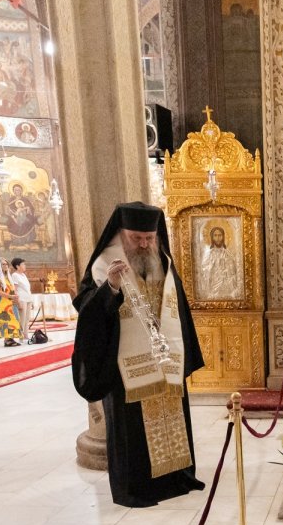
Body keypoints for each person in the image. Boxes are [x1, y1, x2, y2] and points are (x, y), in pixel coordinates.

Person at [72, 202, 205, 508]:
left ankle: (176, 477)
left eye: (149, 238)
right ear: (121, 234)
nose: (144, 244)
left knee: (171, 420)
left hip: (165, 360)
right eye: (136, 238)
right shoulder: (104, 264)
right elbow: (89, 313)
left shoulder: (162, 261)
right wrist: (111, 288)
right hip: (126, 367)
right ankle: (139, 487)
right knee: (133, 431)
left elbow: (179, 308)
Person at [0, 257, 22, 347]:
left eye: (6, 264)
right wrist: (10, 296)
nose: (5, 266)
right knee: (6, 320)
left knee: (13, 320)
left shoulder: (7, 276)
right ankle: (7, 340)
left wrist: (15, 298)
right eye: (3, 264)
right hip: (2, 303)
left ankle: (10, 338)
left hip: (10, 302)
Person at [10, 258, 34, 340]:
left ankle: (25, 335)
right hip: (22, 299)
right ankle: (20, 336)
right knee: (22, 319)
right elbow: (15, 289)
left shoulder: (23, 275)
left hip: (28, 298)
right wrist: (18, 302)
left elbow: (27, 289)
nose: (25, 266)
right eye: (23, 264)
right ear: (17, 266)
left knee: (27, 319)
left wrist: (31, 300)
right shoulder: (15, 275)